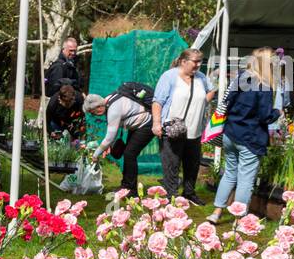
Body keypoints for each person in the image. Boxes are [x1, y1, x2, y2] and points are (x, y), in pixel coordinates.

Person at [207, 48, 281, 223]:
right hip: (250, 138)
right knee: (246, 179)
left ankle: (216, 213)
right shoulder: (264, 86)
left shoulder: (240, 79)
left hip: (230, 133)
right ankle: (239, 220)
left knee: (230, 174)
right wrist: (277, 113)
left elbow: (226, 102)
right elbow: (265, 117)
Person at [152, 48, 215, 203]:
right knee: (171, 165)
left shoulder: (201, 78)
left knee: (192, 165)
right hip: (173, 130)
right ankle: (171, 196)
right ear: (183, 61)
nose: (198, 65)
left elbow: (212, 90)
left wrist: (201, 102)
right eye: (195, 62)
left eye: (200, 62)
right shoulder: (169, 77)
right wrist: (156, 123)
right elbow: (157, 101)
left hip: (194, 130)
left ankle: (189, 193)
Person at [86, 83, 155, 197]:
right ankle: (126, 185)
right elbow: (112, 133)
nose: (96, 114)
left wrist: (96, 154)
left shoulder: (113, 109)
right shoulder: (108, 100)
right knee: (129, 154)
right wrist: (108, 146)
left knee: (130, 154)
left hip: (146, 124)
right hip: (138, 125)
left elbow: (110, 137)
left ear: (98, 106)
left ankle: (131, 190)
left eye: (94, 112)